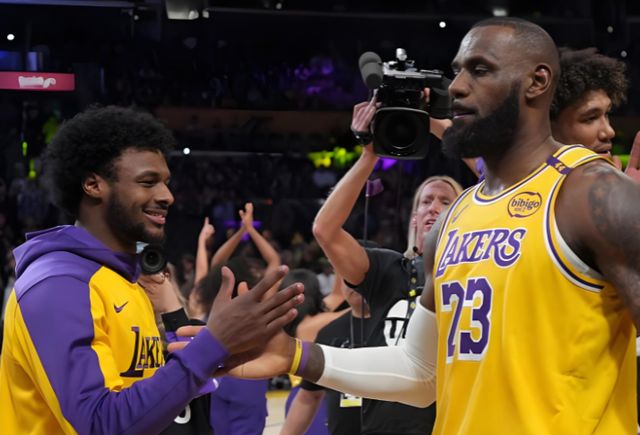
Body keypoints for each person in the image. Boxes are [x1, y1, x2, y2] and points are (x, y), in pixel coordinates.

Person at [189, 18, 639, 434]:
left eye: (480, 70)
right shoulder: (452, 220)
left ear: (537, 82)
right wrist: (294, 354)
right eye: (457, 71)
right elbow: (422, 371)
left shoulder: (593, 195)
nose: (457, 87)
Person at [0, 105, 304, 434]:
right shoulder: (58, 286)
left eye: (166, 183)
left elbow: (150, 410)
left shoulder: (127, 281)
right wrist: (212, 344)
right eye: (148, 182)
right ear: (92, 184)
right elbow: (100, 425)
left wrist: (216, 350)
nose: (167, 196)